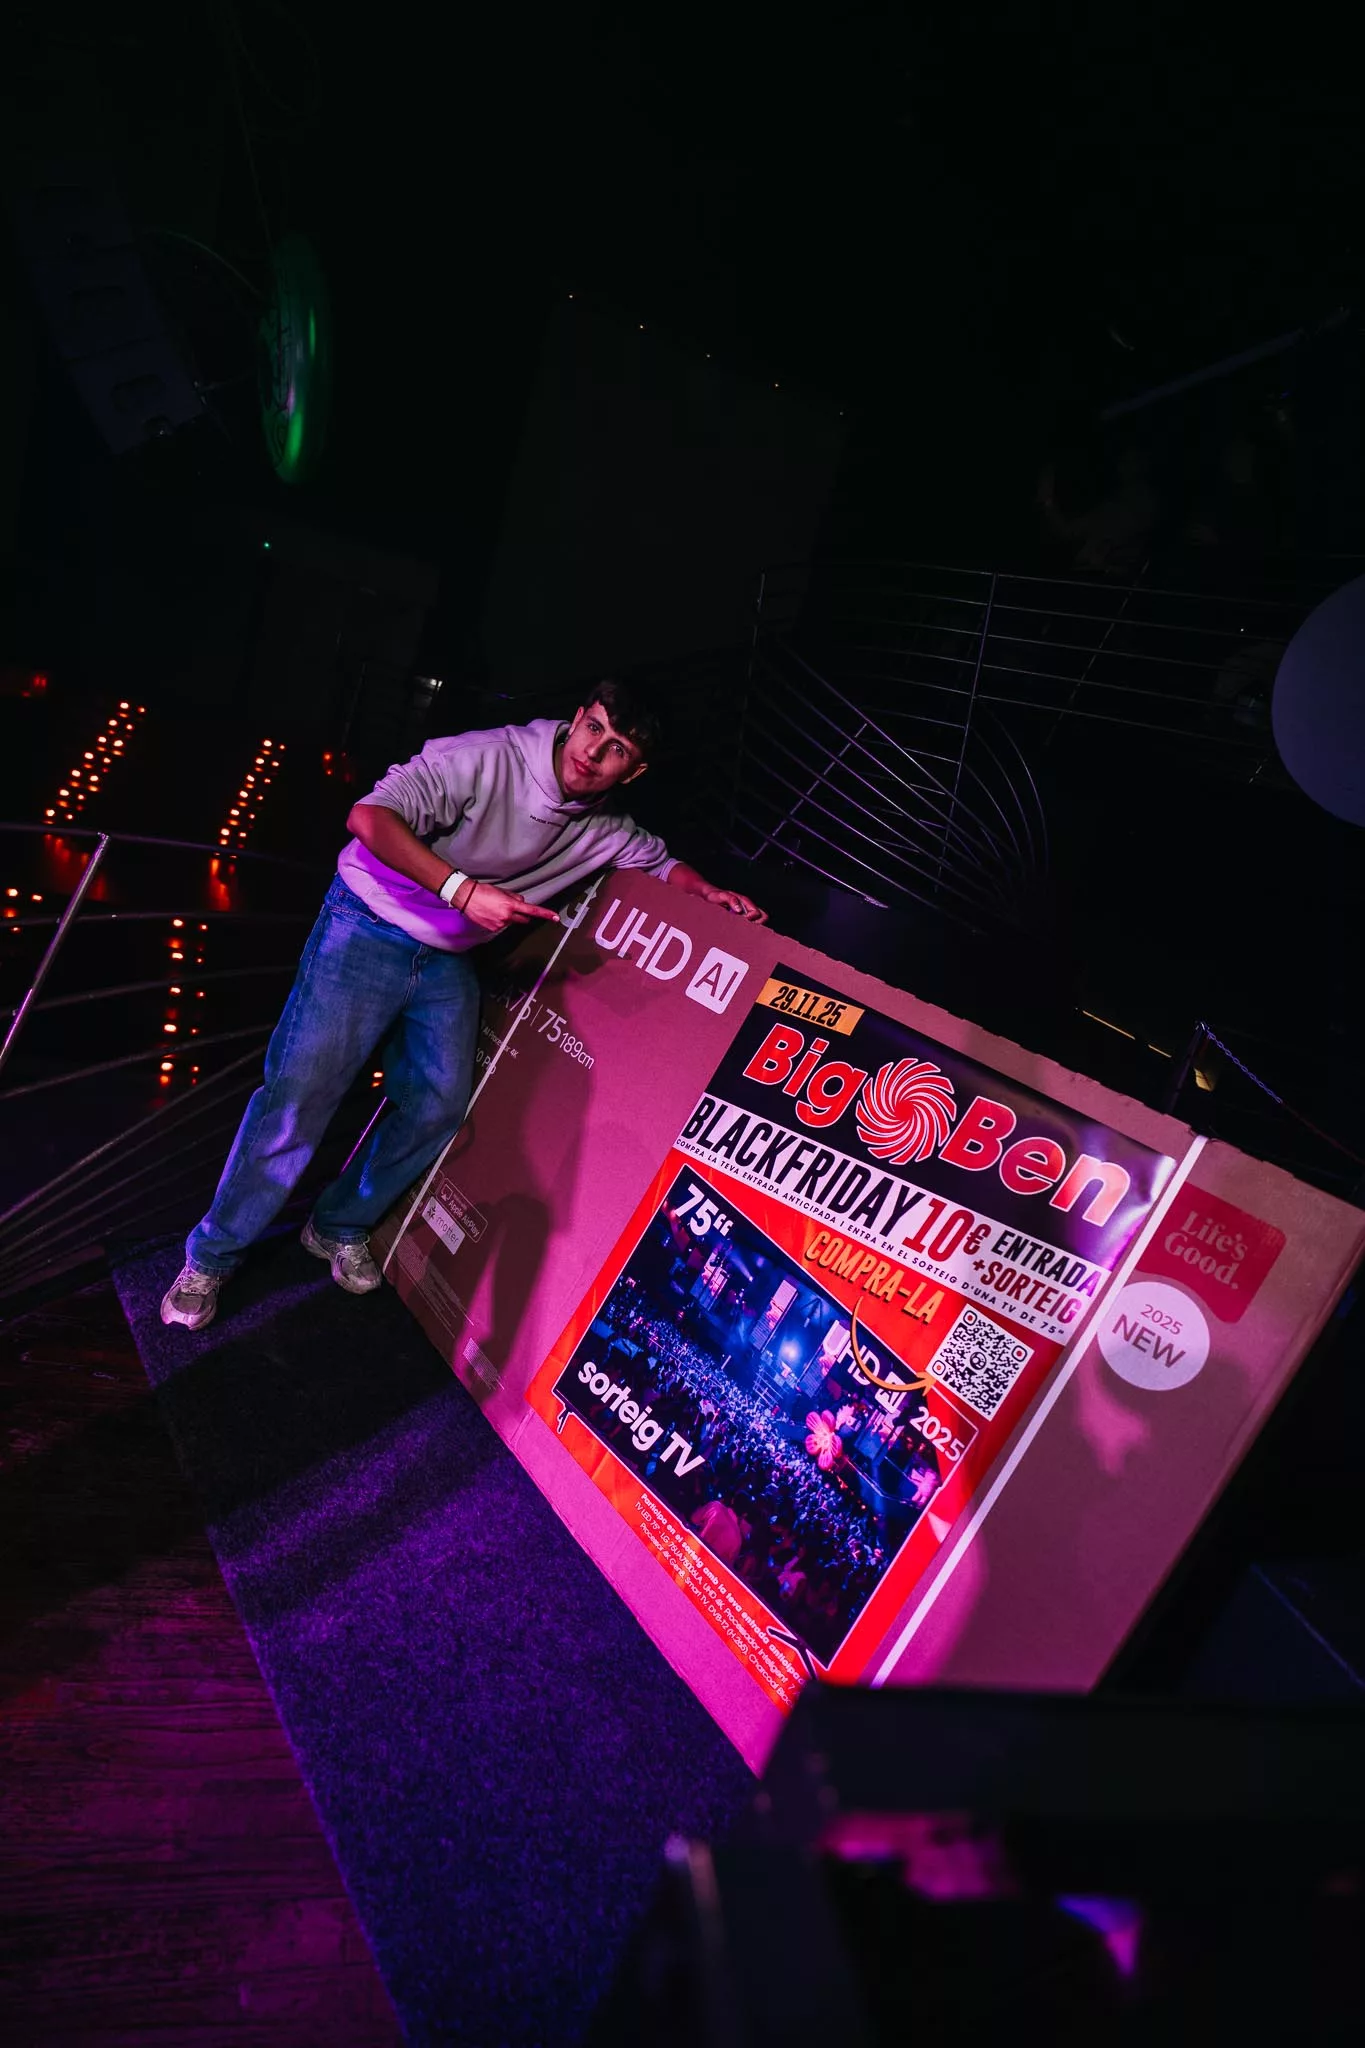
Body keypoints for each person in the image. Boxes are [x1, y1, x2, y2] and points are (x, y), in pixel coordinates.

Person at [161, 684, 766, 1331]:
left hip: (446, 956)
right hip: (366, 922)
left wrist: (709, 893)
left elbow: (661, 863)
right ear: (577, 717)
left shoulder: (605, 828)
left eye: (617, 749)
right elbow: (368, 818)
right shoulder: (487, 757)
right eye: (593, 728)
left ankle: (336, 1223)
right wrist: (461, 889)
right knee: (299, 1097)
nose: (593, 753)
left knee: (439, 1105)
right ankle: (212, 1256)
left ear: (634, 771)